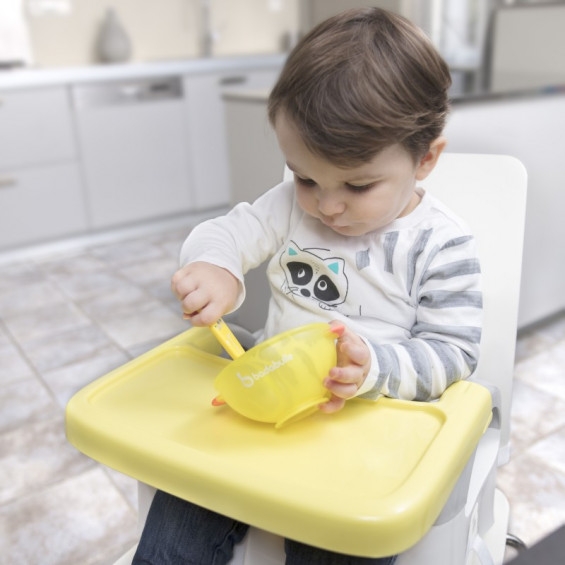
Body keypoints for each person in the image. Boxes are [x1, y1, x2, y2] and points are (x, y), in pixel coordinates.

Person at [132, 7, 482, 565]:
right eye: (306, 177)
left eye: (358, 184)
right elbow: (228, 232)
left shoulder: (441, 246)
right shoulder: (288, 208)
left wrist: (373, 369)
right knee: (185, 492)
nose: (327, 205)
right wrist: (216, 266)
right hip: (266, 404)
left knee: (338, 544)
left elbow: (455, 353)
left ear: (426, 159)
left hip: (364, 427)